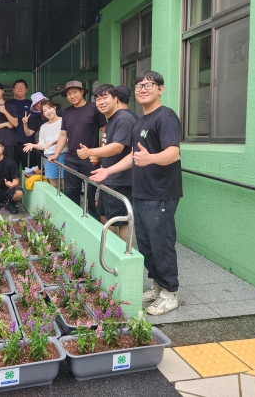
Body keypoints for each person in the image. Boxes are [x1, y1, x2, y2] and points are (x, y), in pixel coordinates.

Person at [90, 71, 182, 316]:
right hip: (141, 192)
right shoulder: (140, 122)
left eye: (149, 85)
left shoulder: (165, 116)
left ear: (160, 89)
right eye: (139, 85)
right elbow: (133, 156)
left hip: (160, 193)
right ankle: (157, 286)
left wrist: (151, 158)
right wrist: (108, 171)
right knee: (147, 244)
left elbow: (173, 152)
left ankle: (170, 294)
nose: (143, 89)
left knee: (161, 243)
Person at [77, 84, 136, 242]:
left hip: (120, 180)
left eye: (105, 97)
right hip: (108, 177)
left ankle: (124, 254)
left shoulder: (123, 119)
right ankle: (112, 250)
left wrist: (91, 152)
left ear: (116, 99)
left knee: (122, 221)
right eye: (98, 99)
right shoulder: (112, 119)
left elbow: (117, 147)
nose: (101, 102)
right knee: (107, 218)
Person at [48, 80, 106, 219]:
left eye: (74, 92)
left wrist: (98, 154)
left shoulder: (94, 108)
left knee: (91, 194)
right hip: (71, 159)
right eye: (69, 94)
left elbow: (104, 131)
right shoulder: (67, 112)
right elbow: (63, 135)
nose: (72, 96)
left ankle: (93, 223)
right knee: (70, 193)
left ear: (82, 92)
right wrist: (56, 154)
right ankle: (72, 221)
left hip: (90, 159)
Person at [23, 100, 66, 189]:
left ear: (54, 107)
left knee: (66, 183)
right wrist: (33, 145)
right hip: (49, 157)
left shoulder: (64, 121)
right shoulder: (43, 127)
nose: (48, 112)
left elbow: (69, 138)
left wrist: (56, 141)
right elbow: (43, 145)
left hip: (64, 154)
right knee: (53, 185)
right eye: (44, 111)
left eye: (49, 108)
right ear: (43, 114)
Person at [5, 79, 34, 169]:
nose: (20, 88)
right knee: (11, 169)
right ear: (13, 90)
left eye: (22, 86)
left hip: (28, 142)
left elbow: (38, 122)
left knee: (29, 169)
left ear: (27, 89)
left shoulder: (32, 104)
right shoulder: (7, 104)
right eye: (17, 87)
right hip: (11, 142)